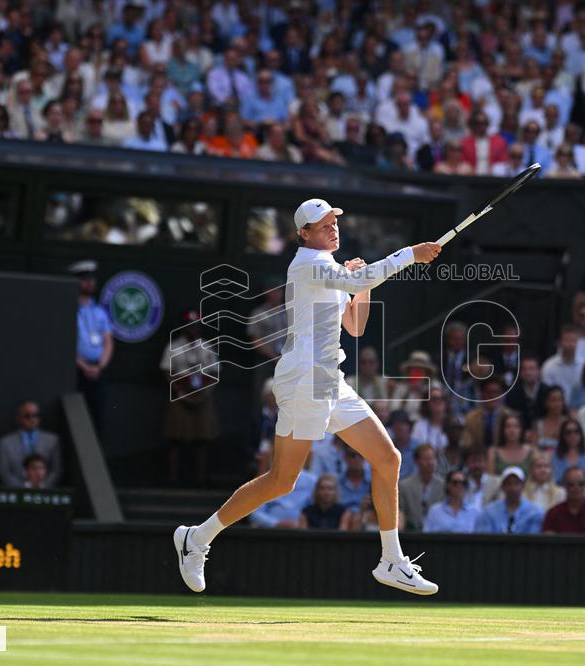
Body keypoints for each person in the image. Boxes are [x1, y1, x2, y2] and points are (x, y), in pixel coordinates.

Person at [175, 198, 443, 596]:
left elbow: (354, 326)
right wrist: (409, 255)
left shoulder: (330, 270)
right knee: (282, 480)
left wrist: (362, 286)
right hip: (305, 380)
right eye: (322, 225)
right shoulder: (305, 264)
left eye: (333, 220)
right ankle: (196, 539)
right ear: (304, 234)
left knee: (389, 458)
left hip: (329, 380)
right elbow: (356, 282)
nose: (332, 227)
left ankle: (391, 560)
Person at [162, 310, 220, 488]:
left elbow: (215, 373)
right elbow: (166, 371)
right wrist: (180, 392)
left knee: (202, 439)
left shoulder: (207, 347)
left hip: (202, 397)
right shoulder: (173, 347)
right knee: (176, 438)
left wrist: (205, 393)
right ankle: (173, 478)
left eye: (196, 325)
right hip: (180, 397)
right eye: (190, 325)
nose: (193, 328)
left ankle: (201, 478)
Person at [70, 260, 113, 436]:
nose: (90, 282)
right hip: (76, 370)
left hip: (97, 370)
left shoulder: (99, 311)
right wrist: (83, 365)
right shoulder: (69, 307)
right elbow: (65, 342)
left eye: (92, 279)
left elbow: (108, 341)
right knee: (76, 417)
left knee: (97, 416)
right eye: (85, 279)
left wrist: (100, 366)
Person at [0, 400, 62, 488]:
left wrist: (43, 486)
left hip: (45, 493)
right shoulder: (5, 442)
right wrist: (23, 489)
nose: (32, 419)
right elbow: (4, 472)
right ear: (18, 418)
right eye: (27, 416)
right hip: (17, 493)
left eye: (35, 415)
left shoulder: (53, 440)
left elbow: (56, 469)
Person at [542, 467, 585, 535]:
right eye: (571, 484)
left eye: (581, 484)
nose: (576, 488)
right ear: (564, 485)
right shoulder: (553, 513)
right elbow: (549, 542)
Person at [398, 444, 444, 531]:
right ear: (417, 461)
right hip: (411, 534)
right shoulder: (404, 486)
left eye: (432, 458)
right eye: (426, 459)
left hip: (436, 533)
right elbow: (400, 512)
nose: (430, 462)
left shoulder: (443, 485)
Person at [541, 326, 584, 399]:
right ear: (560, 343)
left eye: (573, 340)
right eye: (567, 340)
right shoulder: (549, 366)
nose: (570, 344)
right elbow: (546, 393)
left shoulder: (584, 365)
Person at [552, 418, 585, 485]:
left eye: (576, 431)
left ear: (581, 434)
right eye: (568, 432)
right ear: (562, 435)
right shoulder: (553, 456)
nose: (572, 435)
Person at [488, 412, 536, 477]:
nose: (512, 430)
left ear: (522, 429)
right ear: (502, 429)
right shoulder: (493, 452)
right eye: (508, 426)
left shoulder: (532, 451)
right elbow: (491, 479)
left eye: (516, 426)